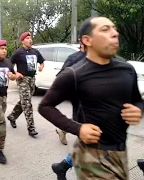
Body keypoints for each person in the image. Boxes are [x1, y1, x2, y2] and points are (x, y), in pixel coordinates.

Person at [38, 17, 143, 180]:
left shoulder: (127, 70)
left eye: (114, 28)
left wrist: (138, 110)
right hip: (92, 155)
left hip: (121, 150)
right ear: (87, 40)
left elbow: (137, 100)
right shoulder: (73, 74)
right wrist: (77, 128)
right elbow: (45, 106)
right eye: (105, 29)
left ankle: (62, 167)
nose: (115, 33)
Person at [51, 41, 86, 180]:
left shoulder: (101, 57)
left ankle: (62, 166)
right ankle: (63, 166)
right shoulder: (74, 58)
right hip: (83, 107)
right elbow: (60, 79)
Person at [7, 31, 45, 137]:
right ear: (23, 41)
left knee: (24, 100)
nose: (30, 40)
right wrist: (16, 73)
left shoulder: (35, 51)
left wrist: (41, 66)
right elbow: (9, 64)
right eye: (27, 38)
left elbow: (41, 61)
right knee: (27, 103)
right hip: (22, 79)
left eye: (30, 38)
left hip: (32, 79)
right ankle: (31, 128)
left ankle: (12, 116)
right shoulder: (19, 52)